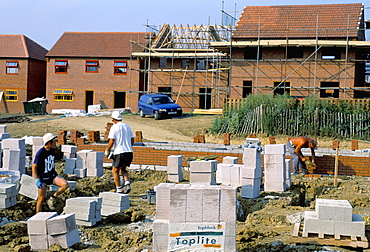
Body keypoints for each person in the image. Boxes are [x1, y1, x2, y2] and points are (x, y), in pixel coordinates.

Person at [32, 133, 69, 213]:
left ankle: (53, 197)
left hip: (52, 176)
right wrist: (37, 179)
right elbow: (34, 167)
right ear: (49, 143)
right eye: (54, 141)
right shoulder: (40, 153)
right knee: (41, 199)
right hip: (43, 178)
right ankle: (37, 216)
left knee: (65, 185)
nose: (55, 143)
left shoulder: (52, 150)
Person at [105, 111, 134, 193]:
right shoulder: (127, 127)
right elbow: (132, 140)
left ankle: (119, 189)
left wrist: (107, 150)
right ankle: (127, 183)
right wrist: (128, 146)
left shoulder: (114, 127)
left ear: (114, 119)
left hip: (119, 152)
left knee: (115, 171)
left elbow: (112, 140)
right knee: (123, 169)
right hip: (129, 152)